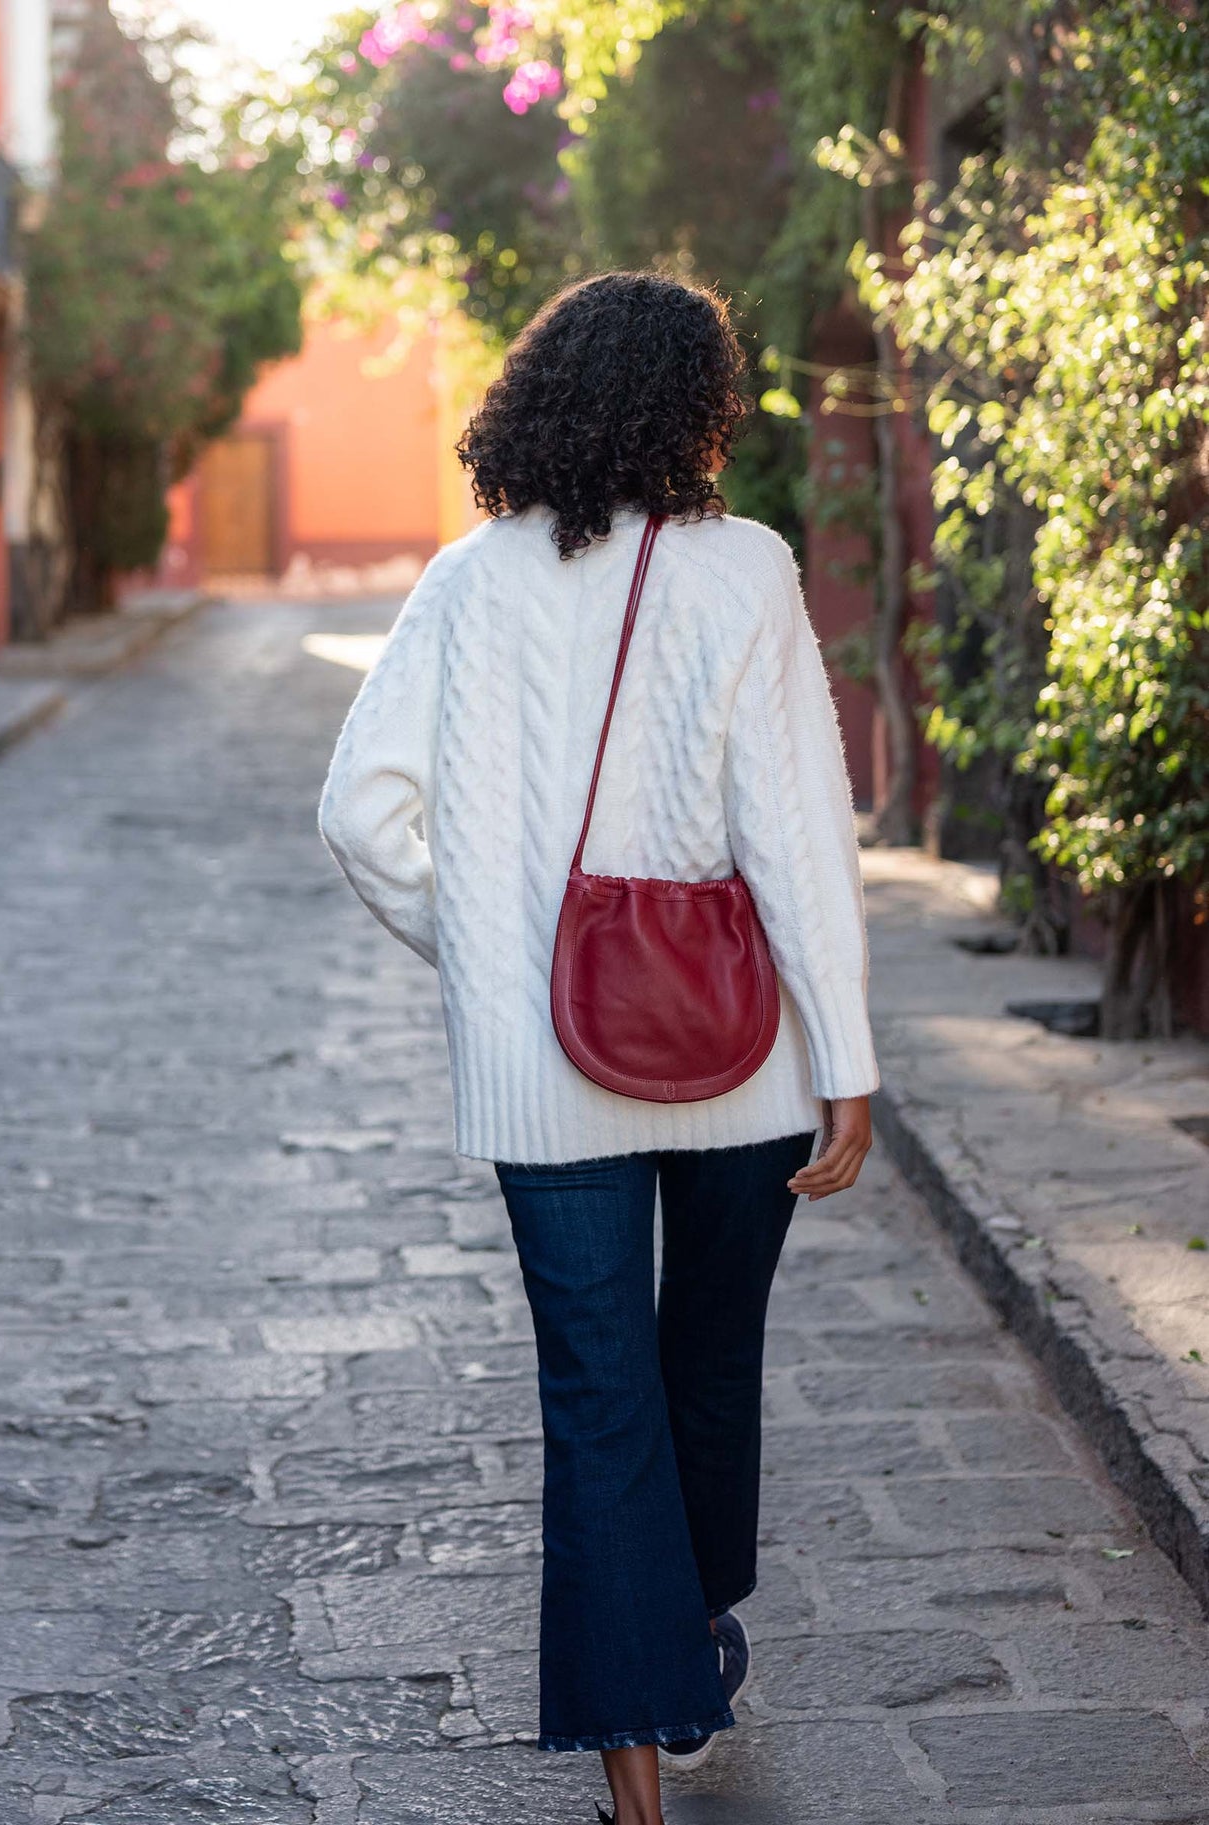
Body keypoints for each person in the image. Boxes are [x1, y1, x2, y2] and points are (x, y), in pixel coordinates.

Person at [318, 271, 877, 1825]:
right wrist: (843, 1052)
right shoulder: (746, 569)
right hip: (739, 1058)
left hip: (540, 1084)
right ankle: (689, 1634)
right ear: (697, 408)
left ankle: (636, 1760)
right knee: (708, 1356)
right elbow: (794, 825)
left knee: (596, 1393)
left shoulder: (465, 581)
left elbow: (358, 813)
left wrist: (495, 964)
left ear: (538, 402)